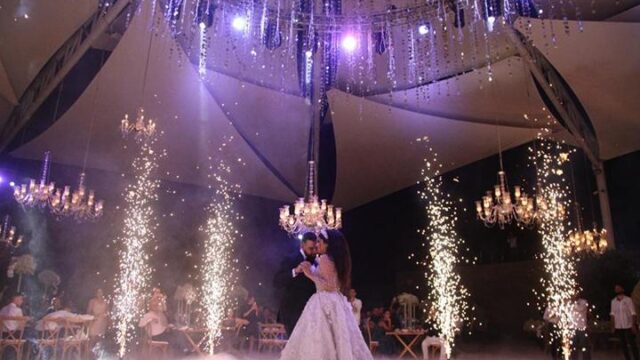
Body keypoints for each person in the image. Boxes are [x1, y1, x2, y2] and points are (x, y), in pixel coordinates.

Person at [280, 230, 373, 360]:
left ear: (327, 244)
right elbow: (331, 281)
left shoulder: (325, 258)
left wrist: (309, 273)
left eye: (319, 241)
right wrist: (311, 270)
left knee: (320, 337)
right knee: (338, 338)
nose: (317, 245)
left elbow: (328, 285)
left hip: (324, 301)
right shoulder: (337, 259)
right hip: (336, 300)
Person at [273, 232, 318, 336]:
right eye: (311, 248)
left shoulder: (316, 262)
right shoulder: (290, 259)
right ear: (302, 245)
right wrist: (295, 271)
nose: (314, 252)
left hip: (310, 311)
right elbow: (277, 281)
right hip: (292, 310)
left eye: (315, 248)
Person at [610, 284, 639, 360]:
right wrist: (613, 326)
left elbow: (633, 313)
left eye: (619, 288)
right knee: (623, 345)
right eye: (616, 288)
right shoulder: (613, 302)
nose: (617, 290)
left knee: (632, 344)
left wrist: (633, 325)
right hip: (619, 326)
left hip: (628, 326)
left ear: (622, 289)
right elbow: (612, 314)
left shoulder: (628, 300)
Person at [570, 294, 590, 360]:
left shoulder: (584, 302)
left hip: (582, 327)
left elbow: (580, 309)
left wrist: (573, 303)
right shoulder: (569, 303)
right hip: (572, 327)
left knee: (584, 346)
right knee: (573, 346)